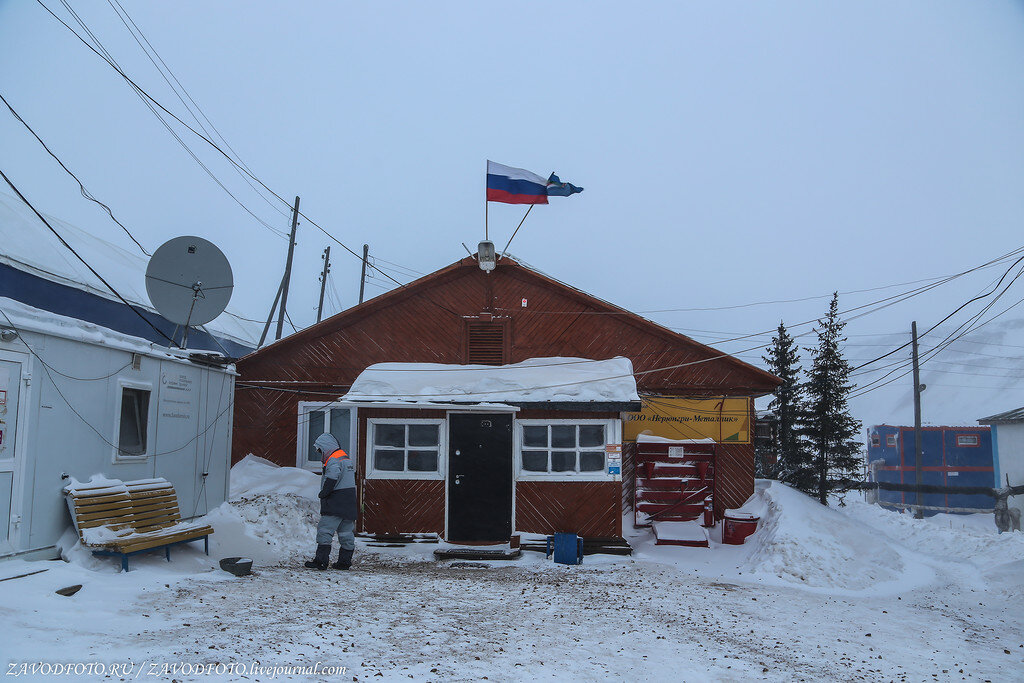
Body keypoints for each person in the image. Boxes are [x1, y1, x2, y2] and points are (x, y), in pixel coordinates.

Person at [305, 433, 357, 570]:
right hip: (349, 501)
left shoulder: (334, 459)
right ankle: (344, 562)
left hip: (336, 501)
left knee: (325, 530)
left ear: (325, 447)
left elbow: (333, 476)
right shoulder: (346, 458)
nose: (320, 453)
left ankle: (320, 561)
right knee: (346, 532)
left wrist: (324, 492)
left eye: (320, 450)